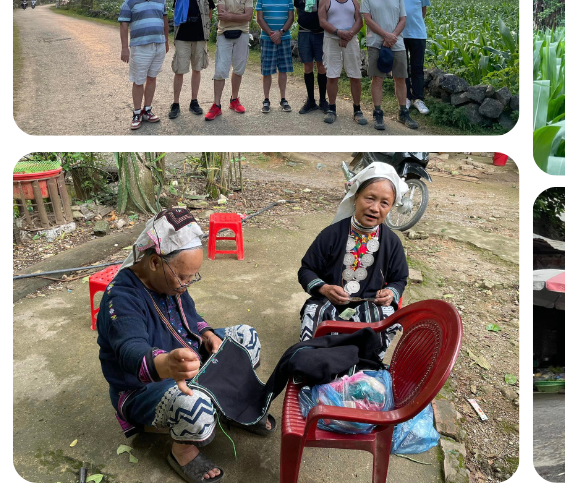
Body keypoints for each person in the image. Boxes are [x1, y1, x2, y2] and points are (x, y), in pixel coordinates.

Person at [96, 208, 272, 483]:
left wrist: (208, 335)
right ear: (154, 262)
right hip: (144, 387)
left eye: (193, 277)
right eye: (183, 277)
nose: (187, 284)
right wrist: (166, 364)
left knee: (246, 337)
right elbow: (130, 349)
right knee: (195, 406)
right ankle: (182, 450)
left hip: (188, 358)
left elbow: (190, 316)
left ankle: (231, 406)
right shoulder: (120, 298)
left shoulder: (172, 281)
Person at [297, 162, 409, 342]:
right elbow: (306, 270)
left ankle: (363, 366)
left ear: (390, 208)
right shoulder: (331, 234)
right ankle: (317, 360)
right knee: (314, 311)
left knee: (388, 316)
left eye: (384, 203)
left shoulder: (392, 242)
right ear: (356, 197)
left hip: (370, 306)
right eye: (370, 198)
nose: (375, 208)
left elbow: (399, 279)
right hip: (329, 303)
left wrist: (390, 292)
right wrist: (325, 289)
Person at [361, 0, 417, 130]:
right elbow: (367, 19)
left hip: (397, 43)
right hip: (375, 43)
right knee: (377, 78)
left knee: (400, 78)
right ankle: (378, 113)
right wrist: (386, 36)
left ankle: (403, 113)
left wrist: (392, 37)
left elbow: (403, 19)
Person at [118, 0, 168, 130]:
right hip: (140, 47)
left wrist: (166, 41)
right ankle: (137, 112)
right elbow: (124, 24)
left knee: (152, 77)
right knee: (139, 80)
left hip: (158, 45)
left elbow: (165, 19)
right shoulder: (130, 0)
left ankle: (147, 110)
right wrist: (124, 47)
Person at [317, 0, 366, 126]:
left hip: (350, 41)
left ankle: (357, 110)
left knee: (355, 75)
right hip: (331, 41)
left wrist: (349, 34)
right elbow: (322, 21)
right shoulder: (325, 0)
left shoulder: (353, 0)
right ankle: (332, 109)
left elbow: (359, 20)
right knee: (332, 75)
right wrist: (339, 33)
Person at [207, 0, 254, 121]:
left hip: (243, 34)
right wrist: (238, 16)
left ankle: (234, 100)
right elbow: (221, 16)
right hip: (224, 34)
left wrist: (230, 15)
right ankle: (217, 105)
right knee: (221, 68)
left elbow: (248, 17)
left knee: (239, 67)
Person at [169, 0, 215, 119]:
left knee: (197, 69)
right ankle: (175, 103)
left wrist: (203, 26)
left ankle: (194, 101)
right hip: (182, 35)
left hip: (200, 36)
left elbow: (209, 12)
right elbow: (176, 11)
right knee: (179, 70)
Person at [391, 0, 431, 116]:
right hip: (399, 34)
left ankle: (418, 99)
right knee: (402, 68)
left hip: (418, 34)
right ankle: (406, 97)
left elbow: (423, 10)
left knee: (417, 67)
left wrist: (414, 24)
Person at [292, 0, 331, 114]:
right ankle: (310, 100)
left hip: (321, 34)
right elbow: (298, 11)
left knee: (321, 66)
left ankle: (323, 100)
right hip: (304, 33)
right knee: (307, 66)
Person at [255, 0, 295, 113]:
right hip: (267, 38)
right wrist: (272, 34)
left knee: (282, 69)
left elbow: (291, 17)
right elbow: (259, 18)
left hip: (284, 38)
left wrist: (281, 32)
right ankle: (266, 99)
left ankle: (283, 99)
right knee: (267, 71)